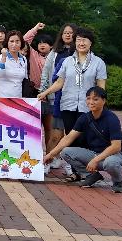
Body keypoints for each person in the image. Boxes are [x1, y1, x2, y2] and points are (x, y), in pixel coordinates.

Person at [43, 87, 122, 192]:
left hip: (112, 156)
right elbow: (68, 138)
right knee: (66, 152)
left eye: (95, 99)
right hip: (93, 154)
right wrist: (50, 154)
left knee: (111, 163)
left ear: (104, 101)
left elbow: (116, 146)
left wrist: (95, 160)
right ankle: (91, 175)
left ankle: (118, 182)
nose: (91, 102)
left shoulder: (111, 118)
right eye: (88, 98)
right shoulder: (85, 118)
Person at [37, 26, 108, 136]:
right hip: (68, 105)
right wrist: (45, 93)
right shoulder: (67, 61)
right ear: (74, 42)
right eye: (78, 40)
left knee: (84, 138)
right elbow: (59, 82)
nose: (81, 43)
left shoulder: (98, 63)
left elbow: (101, 87)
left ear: (91, 43)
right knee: (70, 137)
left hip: (88, 106)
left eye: (84, 40)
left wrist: (100, 106)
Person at [40, 23, 77, 171]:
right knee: (55, 134)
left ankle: (69, 164)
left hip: (74, 100)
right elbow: (46, 72)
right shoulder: (54, 52)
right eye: (65, 32)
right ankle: (48, 161)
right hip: (56, 98)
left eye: (70, 32)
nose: (67, 35)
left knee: (71, 135)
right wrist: (44, 90)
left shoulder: (79, 52)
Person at [0, 30, 27, 97]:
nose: (14, 44)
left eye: (17, 42)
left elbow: (25, 77)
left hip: (17, 99)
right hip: (2, 98)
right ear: (7, 43)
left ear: (21, 43)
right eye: (11, 41)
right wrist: (4, 57)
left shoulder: (23, 59)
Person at [23, 22, 52, 97]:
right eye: (40, 43)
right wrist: (35, 29)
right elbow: (24, 41)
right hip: (34, 90)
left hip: (51, 90)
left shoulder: (55, 57)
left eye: (45, 43)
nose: (42, 45)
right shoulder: (34, 55)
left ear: (51, 46)